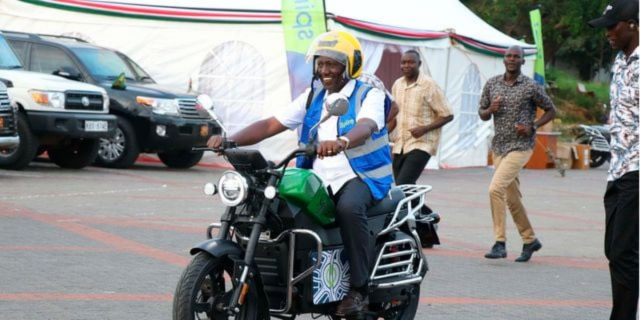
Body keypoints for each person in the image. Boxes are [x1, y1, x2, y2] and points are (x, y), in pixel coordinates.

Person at [207, 30, 392, 316]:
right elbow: (272, 124)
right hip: (318, 176)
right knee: (275, 206)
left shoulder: (370, 95)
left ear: (350, 65)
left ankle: (359, 289)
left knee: (349, 208)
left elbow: (366, 126)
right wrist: (231, 140)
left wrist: (342, 141)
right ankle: (290, 278)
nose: (325, 70)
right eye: (320, 63)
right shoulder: (312, 97)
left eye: (333, 63)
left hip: (362, 176)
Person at [478, 45, 556, 262]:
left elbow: (551, 109)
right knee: (511, 198)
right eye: (508, 56)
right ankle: (530, 240)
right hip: (499, 146)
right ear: (504, 60)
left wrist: (533, 126)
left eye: (516, 57)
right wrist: (490, 110)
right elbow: (482, 113)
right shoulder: (492, 84)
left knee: (495, 188)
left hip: (521, 146)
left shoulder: (531, 86)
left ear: (523, 61)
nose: (512, 59)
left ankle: (499, 242)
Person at [589, 0, 639, 318]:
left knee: (622, 251)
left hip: (638, 169)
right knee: (614, 249)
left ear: (633, 24)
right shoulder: (620, 62)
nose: (607, 32)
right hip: (617, 168)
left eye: (613, 25)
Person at [391, 50, 453, 219]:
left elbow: (447, 114)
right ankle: (426, 216)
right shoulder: (398, 85)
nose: (406, 65)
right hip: (401, 143)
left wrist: (424, 128)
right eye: (403, 62)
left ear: (419, 64)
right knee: (401, 187)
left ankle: (421, 217)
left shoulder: (428, 85)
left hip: (423, 142)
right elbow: (394, 113)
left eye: (411, 62)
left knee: (404, 184)